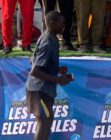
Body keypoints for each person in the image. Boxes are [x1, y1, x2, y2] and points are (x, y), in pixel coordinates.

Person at [26, 11, 73, 140]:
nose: (64, 26)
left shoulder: (48, 36)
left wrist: (56, 69)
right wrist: (58, 79)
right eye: (61, 24)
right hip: (39, 90)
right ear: (52, 23)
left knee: (47, 120)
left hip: (40, 89)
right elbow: (35, 71)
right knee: (45, 122)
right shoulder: (48, 41)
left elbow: (33, 61)